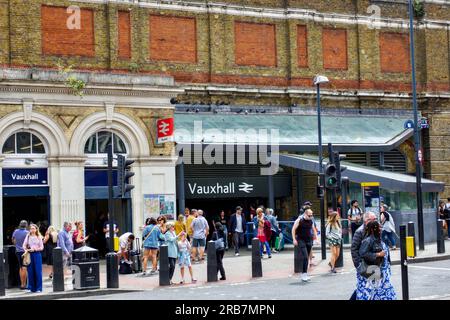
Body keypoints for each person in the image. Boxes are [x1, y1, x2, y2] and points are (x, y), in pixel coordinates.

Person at [356, 221, 396, 300]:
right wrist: (378, 254)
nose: (380, 229)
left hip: (382, 271)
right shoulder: (368, 240)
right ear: (372, 230)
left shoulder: (379, 238)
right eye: (378, 227)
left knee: (381, 292)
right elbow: (363, 254)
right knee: (372, 292)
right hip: (374, 270)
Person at [350, 211, 378, 300]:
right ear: (366, 220)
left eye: (376, 219)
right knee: (363, 286)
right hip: (363, 265)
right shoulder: (360, 231)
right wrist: (358, 265)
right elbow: (354, 249)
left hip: (374, 264)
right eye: (372, 219)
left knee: (374, 286)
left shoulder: (375, 229)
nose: (375, 221)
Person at [292, 208, 314, 282]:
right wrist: (294, 239)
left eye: (311, 215)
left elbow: (312, 229)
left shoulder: (311, 220)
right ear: (305, 214)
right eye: (309, 215)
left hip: (308, 240)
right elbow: (293, 229)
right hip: (301, 240)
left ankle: (305, 274)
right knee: (305, 256)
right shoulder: (299, 220)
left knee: (307, 257)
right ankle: (303, 274)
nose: (310, 216)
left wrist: (316, 238)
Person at [22, 224, 44, 293]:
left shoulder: (39, 237)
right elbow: (24, 245)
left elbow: (42, 247)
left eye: (34, 228)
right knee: (30, 271)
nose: (32, 230)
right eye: (31, 228)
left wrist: (35, 249)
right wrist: (26, 250)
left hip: (37, 255)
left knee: (38, 271)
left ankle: (39, 288)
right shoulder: (28, 236)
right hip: (29, 255)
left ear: (36, 229)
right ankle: (31, 288)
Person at [12, 220, 29, 290]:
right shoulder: (27, 232)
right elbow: (28, 243)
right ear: (26, 225)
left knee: (20, 267)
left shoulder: (16, 231)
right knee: (24, 267)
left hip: (17, 251)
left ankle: (22, 283)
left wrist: (17, 245)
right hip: (24, 252)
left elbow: (13, 240)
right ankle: (24, 284)